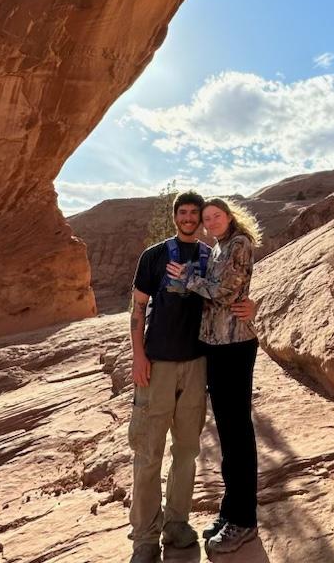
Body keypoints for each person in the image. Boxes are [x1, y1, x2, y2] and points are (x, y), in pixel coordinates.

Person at [128, 190, 256, 563]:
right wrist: (137, 355)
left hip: (198, 363)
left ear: (202, 219)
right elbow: (137, 308)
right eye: (182, 212)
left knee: (186, 451)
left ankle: (178, 525)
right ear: (175, 217)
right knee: (149, 453)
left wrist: (252, 305)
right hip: (159, 364)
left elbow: (230, 290)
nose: (189, 218)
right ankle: (145, 538)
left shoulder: (209, 255)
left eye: (194, 213)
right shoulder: (153, 256)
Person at [166, 197, 260, 555]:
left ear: (229, 216)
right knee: (228, 434)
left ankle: (244, 521)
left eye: (216, 215)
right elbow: (229, 292)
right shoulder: (220, 247)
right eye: (207, 218)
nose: (211, 221)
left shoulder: (238, 244)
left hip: (234, 348)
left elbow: (224, 292)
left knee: (238, 434)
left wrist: (187, 277)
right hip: (218, 348)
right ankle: (230, 511)